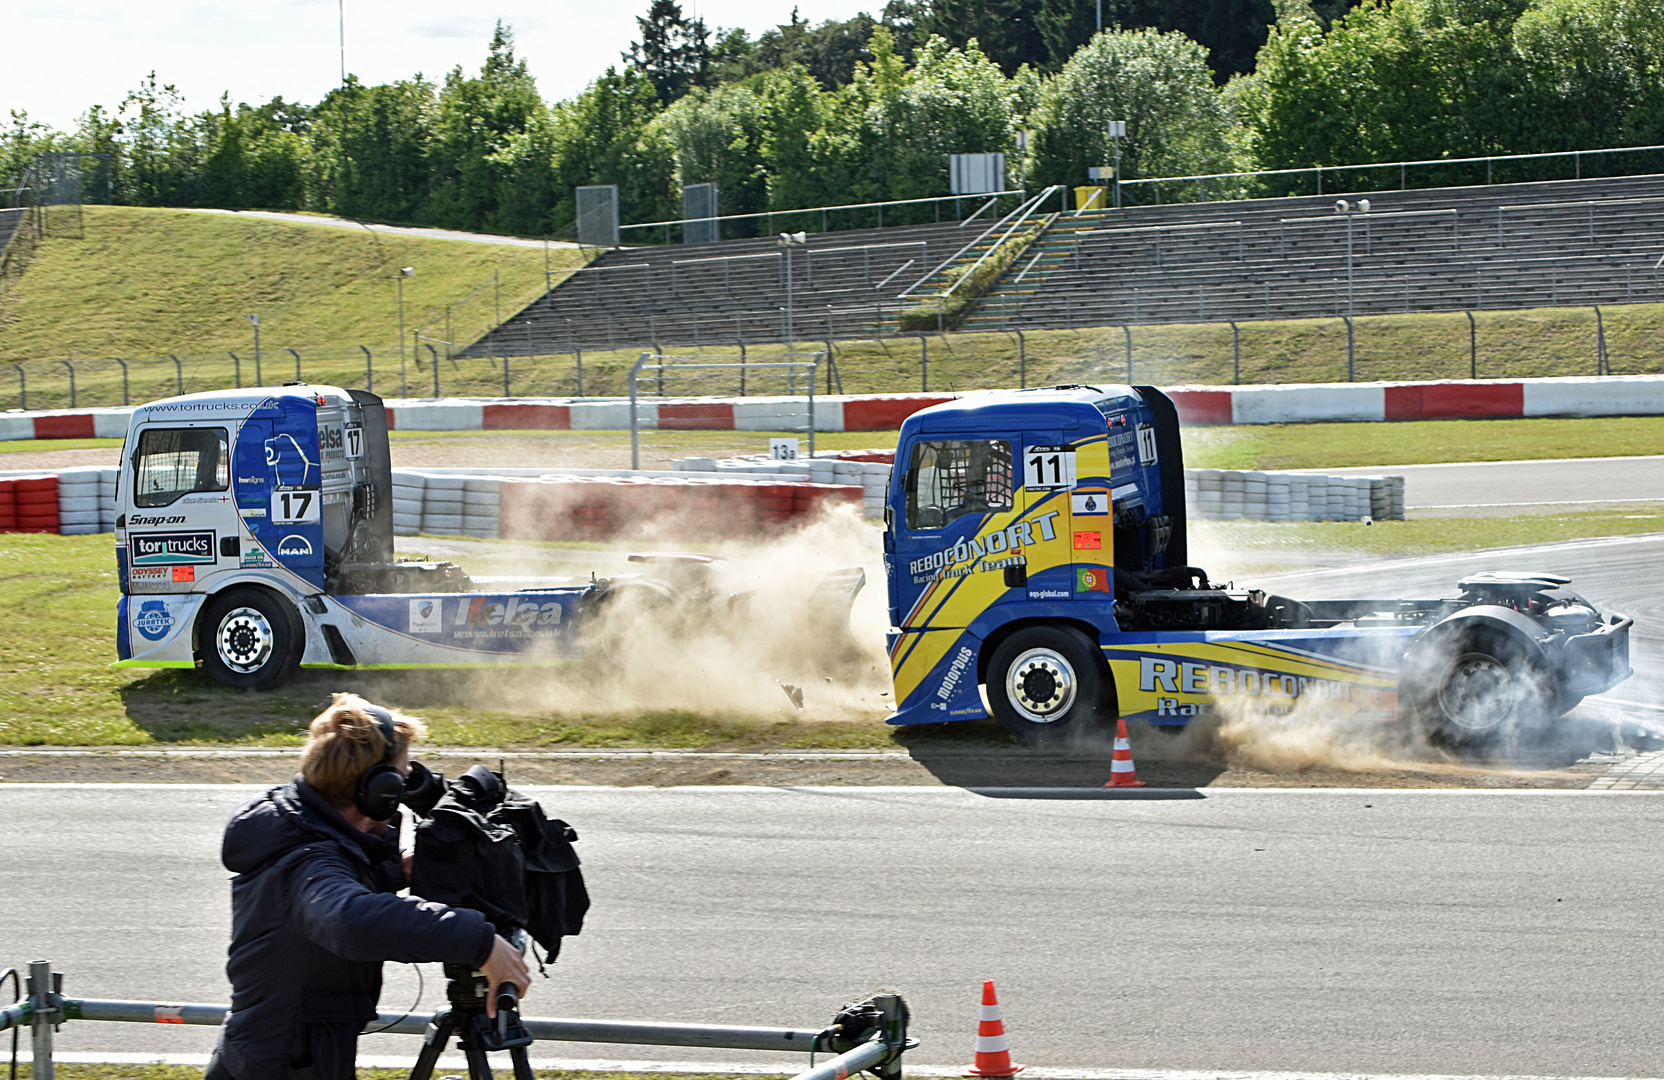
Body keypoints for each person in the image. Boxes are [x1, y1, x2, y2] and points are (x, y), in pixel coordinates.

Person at [204, 693, 531, 1080]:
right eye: (401, 776)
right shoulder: (307, 861)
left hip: (291, 1055)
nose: (407, 785)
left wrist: (397, 871)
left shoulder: (305, 822)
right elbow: (349, 919)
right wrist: (478, 941)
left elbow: (343, 870)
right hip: (281, 1067)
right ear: (378, 793)